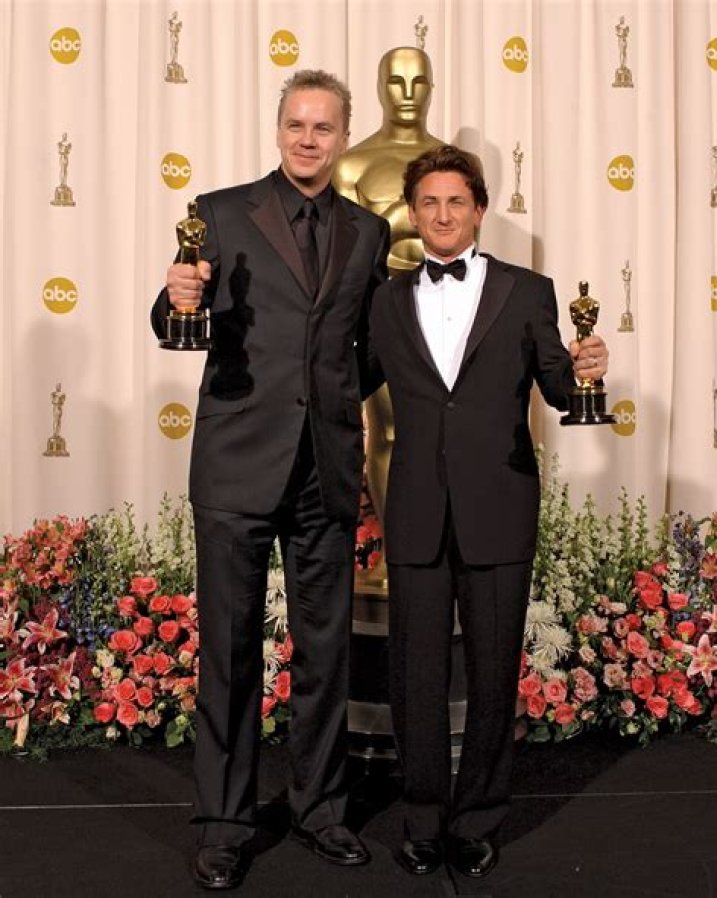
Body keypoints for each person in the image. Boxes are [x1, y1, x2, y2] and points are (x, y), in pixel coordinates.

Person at [151, 69, 389, 891]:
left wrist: (328, 405)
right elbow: (177, 315)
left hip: (325, 466)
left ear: (344, 136)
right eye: (296, 124)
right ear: (278, 128)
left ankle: (321, 809)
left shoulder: (367, 232)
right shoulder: (219, 214)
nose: (308, 139)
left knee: (325, 653)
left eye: (324, 127)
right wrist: (175, 296)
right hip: (236, 466)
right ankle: (224, 824)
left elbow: (368, 350)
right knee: (229, 651)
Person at [368, 144, 609, 879]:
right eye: (429, 202)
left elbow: (559, 388)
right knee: (415, 673)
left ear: (479, 209)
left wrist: (586, 371)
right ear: (414, 213)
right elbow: (341, 379)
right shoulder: (383, 300)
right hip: (414, 507)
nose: (442, 214)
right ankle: (421, 818)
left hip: (500, 505)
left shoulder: (528, 291)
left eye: (456, 202)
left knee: (494, 670)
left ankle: (477, 819)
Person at [334, 45, 443, 586]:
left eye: (417, 82)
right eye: (395, 82)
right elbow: (344, 255)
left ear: (432, 88)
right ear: (378, 88)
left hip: (446, 318)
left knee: (443, 437)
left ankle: (434, 556)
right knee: (389, 434)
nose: (406, 94)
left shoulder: (452, 163)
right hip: (380, 318)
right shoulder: (351, 165)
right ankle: (396, 558)